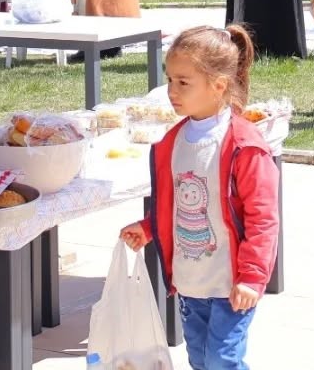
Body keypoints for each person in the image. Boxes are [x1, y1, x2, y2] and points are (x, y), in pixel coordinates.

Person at [118, 25, 279, 370]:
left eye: (183, 82)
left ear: (218, 85)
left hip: (231, 283)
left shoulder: (244, 146)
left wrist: (252, 277)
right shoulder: (171, 142)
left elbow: (263, 218)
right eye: (170, 79)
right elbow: (176, 204)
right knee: (201, 360)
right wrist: (150, 228)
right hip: (190, 280)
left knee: (221, 360)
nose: (171, 91)